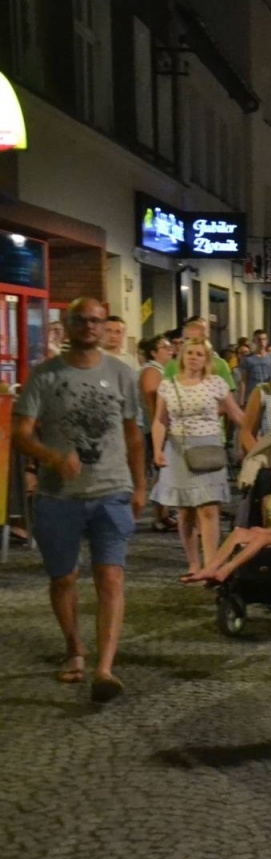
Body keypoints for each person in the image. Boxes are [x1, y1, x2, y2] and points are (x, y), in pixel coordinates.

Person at [13, 297, 146, 703]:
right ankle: (75, 648)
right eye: (81, 321)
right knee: (64, 577)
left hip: (111, 491)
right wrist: (53, 457)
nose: (90, 327)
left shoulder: (122, 374)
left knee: (111, 577)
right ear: (66, 326)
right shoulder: (45, 375)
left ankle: (105, 669)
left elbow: (133, 435)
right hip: (59, 496)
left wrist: (140, 485)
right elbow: (20, 434)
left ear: (105, 327)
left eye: (96, 321)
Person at [152, 338, 247, 578]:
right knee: (185, 512)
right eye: (190, 353)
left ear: (207, 359)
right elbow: (160, 420)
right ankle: (193, 564)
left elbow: (236, 414)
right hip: (177, 449)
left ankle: (211, 564)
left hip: (208, 449)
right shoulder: (167, 386)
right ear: (182, 356)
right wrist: (157, 450)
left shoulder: (216, 384)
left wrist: (254, 438)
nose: (194, 357)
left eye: (199, 354)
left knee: (209, 510)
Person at [181, 459, 271, 585]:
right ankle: (210, 568)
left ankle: (226, 570)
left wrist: (266, 531)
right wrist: (264, 531)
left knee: (262, 537)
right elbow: (266, 523)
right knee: (239, 533)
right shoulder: (267, 499)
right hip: (268, 535)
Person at [137, 335, 176, 531]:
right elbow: (153, 405)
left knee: (163, 472)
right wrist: (159, 431)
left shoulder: (162, 371)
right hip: (151, 428)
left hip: (157, 427)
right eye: (165, 347)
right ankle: (159, 515)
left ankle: (163, 513)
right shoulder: (151, 371)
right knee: (158, 471)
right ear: (154, 352)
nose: (170, 351)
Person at [237, 330, 271, 406]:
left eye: (264, 339)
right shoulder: (247, 359)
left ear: (267, 341)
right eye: (259, 339)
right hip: (252, 396)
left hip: (269, 396)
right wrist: (241, 401)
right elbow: (243, 381)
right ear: (254, 341)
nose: (262, 342)